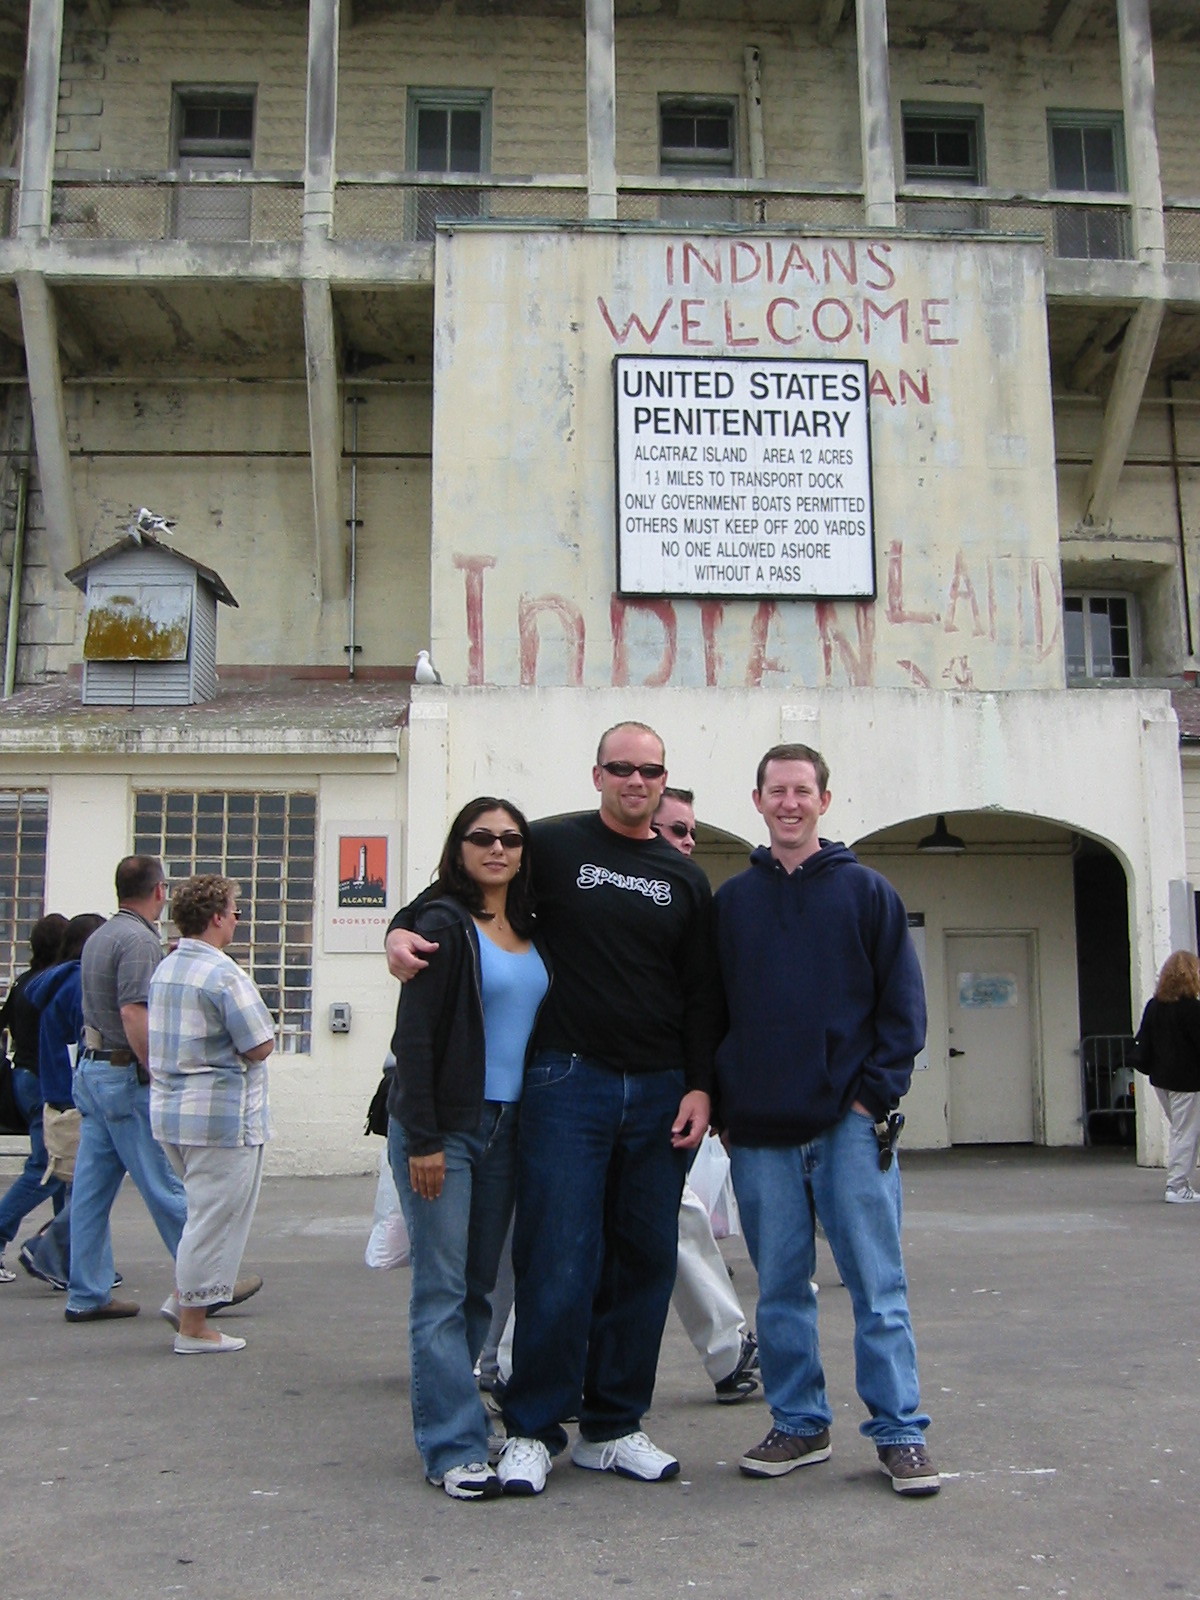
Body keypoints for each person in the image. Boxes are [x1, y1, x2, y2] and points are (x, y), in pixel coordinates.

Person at [388, 722, 720, 1495]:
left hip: (661, 1088)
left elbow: (702, 990)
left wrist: (701, 1084)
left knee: (643, 1261)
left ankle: (614, 1426)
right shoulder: (552, 845)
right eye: (621, 768)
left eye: (650, 771)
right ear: (597, 774)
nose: (636, 781)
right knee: (557, 1257)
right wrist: (400, 929)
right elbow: (463, 882)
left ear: (663, 779)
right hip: (567, 1081)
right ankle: (534, 1427)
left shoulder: (684, 878)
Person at [714, 743, 939, 1496]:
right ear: (757, 801)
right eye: (776, 791)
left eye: (802, 791)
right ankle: (800, 1424)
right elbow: (709, 1011)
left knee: (877, 1287)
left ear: (824, 801)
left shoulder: (867, 893)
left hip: (849, 1126)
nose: (789, 803)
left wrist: (872, 1096)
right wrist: (727, 1104)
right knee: (780, 1290)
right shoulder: (732, 904)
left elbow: (903, 1009)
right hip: (760, 1133)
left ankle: (900, 1433)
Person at [389, 798, 549, 1499]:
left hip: (509, 1127)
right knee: (442, 1289)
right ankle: (451, 1448)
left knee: (480, 1287)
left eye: (510, 839)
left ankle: (466, 1421)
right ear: (459, 848)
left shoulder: (533, 923)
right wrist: (424, 1139)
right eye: (481, 838)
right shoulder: (441, 925)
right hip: (445, 1129)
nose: (497, 849)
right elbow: (415, 1039)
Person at [67, 855, 259, 1324]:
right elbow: (134, 1012)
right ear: (159, 891)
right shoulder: (138, 941)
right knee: (168, 1186)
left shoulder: (100, 936)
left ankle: (86, 1291)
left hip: (91, 1068)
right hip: (123, 1073)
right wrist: (157, 1070)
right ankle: (204, 1286)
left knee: (91, 1192)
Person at [650, 787, 760, 1405]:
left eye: (690, 832)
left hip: (669, 1091)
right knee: (569, 1226)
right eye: (676, 830)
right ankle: (508, 1361)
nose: (688, 842)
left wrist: (709, 1088)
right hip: (582, 1086)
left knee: (676, 1215)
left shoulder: (695, 904)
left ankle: (728, 1350)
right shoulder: (588, 887)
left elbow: (708, 1006)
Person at [149, 875, 276, 1353]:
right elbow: (259, 1044)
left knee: (202, 1214)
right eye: (235, 912)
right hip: (221, 1116)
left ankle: (184, 1300)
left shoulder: (167, 967)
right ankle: (194, 1327)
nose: (237, 920)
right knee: (215, 1220)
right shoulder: (223, 974)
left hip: (172, 1112)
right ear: (218, 917)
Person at [18, 913, 108, 1290]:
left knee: (75, 1182)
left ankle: (76, 1262)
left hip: (55, 1091)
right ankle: (48, 1250)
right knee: (81, 1184)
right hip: (71, 1094)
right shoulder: (77, 985)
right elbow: (85, 1040)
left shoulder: (50, 982)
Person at [0, 914, 69, 1281]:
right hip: (46, 1082)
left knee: (64, 1167)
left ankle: (60, 1253)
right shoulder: (54, 985)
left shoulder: (24, 982)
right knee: (48, 1168)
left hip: (23, 1077)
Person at [1134, 950, 1200, 1203]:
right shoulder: (1193, 1009)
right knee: (1186, 1133)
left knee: (1182, 1130)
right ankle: (1177, 1185)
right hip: (1188, 1080)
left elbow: (1145, 1039)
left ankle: (1180, 1183)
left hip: (1161, 1078)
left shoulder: (1155, 1006)